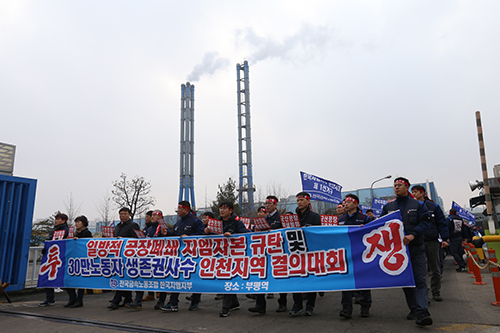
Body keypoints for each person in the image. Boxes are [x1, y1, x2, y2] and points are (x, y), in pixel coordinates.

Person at [381, 177, 433, 326]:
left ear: (407, 187)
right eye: (395, 185)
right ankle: (414, 309)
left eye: (400, 185)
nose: (396, 187)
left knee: (419, 280)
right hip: (398, 251)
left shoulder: (418, 205)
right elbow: (381, 225)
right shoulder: (389, 207)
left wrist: (413, 234)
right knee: (406, 281)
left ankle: (423, 311)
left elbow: (426, 222)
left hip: (416, 248)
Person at [205, 201, 249, 317]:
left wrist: (233, 236)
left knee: (228, 279)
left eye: (225, 208)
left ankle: (225, 307)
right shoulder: (216, 222)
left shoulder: (237, 222)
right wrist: (207, 232)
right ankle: (234, 303)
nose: (221, 210)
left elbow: (246, 234)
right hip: (220, 256)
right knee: (225, 278)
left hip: (234, 256)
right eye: (220, 208)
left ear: (230, 210)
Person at [161, 201, 205, 312]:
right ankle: (173, 303)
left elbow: (202, 234)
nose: (178, 211)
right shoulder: (178, 223)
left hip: (194, 255)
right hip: (179, 256)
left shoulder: (196, 221)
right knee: (176, 277)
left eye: (180, 209)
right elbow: (175, 236)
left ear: (186, 209)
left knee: (195, 277)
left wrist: (189, 236)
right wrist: (167, 234)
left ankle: (195, 301)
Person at [248, 195, 287, 314]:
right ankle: (260, 304)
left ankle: (283, 303)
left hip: (278, 252)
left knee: (280, 277)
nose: (267, 205)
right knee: (261, 276)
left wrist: (275, 231)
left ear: (276, 205)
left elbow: (286, 231)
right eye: (266, 203)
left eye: (270, 203)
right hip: (263, 252)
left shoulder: (281, 218)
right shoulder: (263, 219)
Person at [411, 185, 449, 302]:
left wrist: (444, 239)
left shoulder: (433, 206)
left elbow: (441, 223)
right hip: (417, 241)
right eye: (413, 192)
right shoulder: (411, 207)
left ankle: (436, 291)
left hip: (432, 241)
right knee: (420, 270)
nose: (414, 195)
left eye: (416, 192)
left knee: (435, 268)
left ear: (423, 193)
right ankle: (423, 294)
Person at [338, 194, 372, 319]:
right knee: (346, 282)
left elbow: (373, 233)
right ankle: (346, 308)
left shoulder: (364, 218)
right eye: (344, 202)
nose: (345, 204)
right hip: (346, 254)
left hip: (362, 254)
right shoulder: (340, 219)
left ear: (356, 204)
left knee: (364, 281)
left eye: (349, 202)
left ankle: (365, 307)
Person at [289, 192, 321, 317]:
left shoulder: (314, 216)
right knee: (295, 278)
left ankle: (310, 305)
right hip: (295, 252)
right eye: (298, 200)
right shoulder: (292, 217)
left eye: (302, 200)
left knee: (311, 279)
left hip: (310, 251)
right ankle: (297, 305)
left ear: (308, 202)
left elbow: (318, 232)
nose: (299, 202)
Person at [108, 207, 140, 310]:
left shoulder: (133, 225)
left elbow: (137, 240)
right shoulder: (117, 226)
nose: (122, 216)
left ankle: (116, 301)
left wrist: (125, 240)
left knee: (122, 278)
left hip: (129, 256)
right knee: (122, 277)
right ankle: (127, 299)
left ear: (129, 215)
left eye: (125, 214)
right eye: (121, 214)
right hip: (118, 256)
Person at [39, 212, 70, 306]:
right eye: (55, 219)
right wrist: (45, 249)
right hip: (51, 258)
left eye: (58, 219)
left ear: (63, 220)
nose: (55, 221)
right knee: (47, 276)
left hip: (62, 258)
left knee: (64, 279)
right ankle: (49, 299)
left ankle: (73, 299)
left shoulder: (67, 231)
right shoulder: (54, 231)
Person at [65, 215, 93, 308]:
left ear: (83, 223)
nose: (76, 224)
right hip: (73, 259)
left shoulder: (87, 233)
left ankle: (79, 300)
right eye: (76, 222)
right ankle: (72, 297)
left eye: (79, 222)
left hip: (82, 259)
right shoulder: (74, 233)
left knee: (81, 281)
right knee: (69, 279)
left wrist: (78, 241)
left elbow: (88, 244)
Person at [141, 211, 156, 303]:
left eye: (148, 217)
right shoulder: (146, 228)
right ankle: (151, 294)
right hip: (146, 253)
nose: (146, 219)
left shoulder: (157, 227)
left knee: (156, 273)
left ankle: (159, 291)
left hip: (155, 253)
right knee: (148, 274)